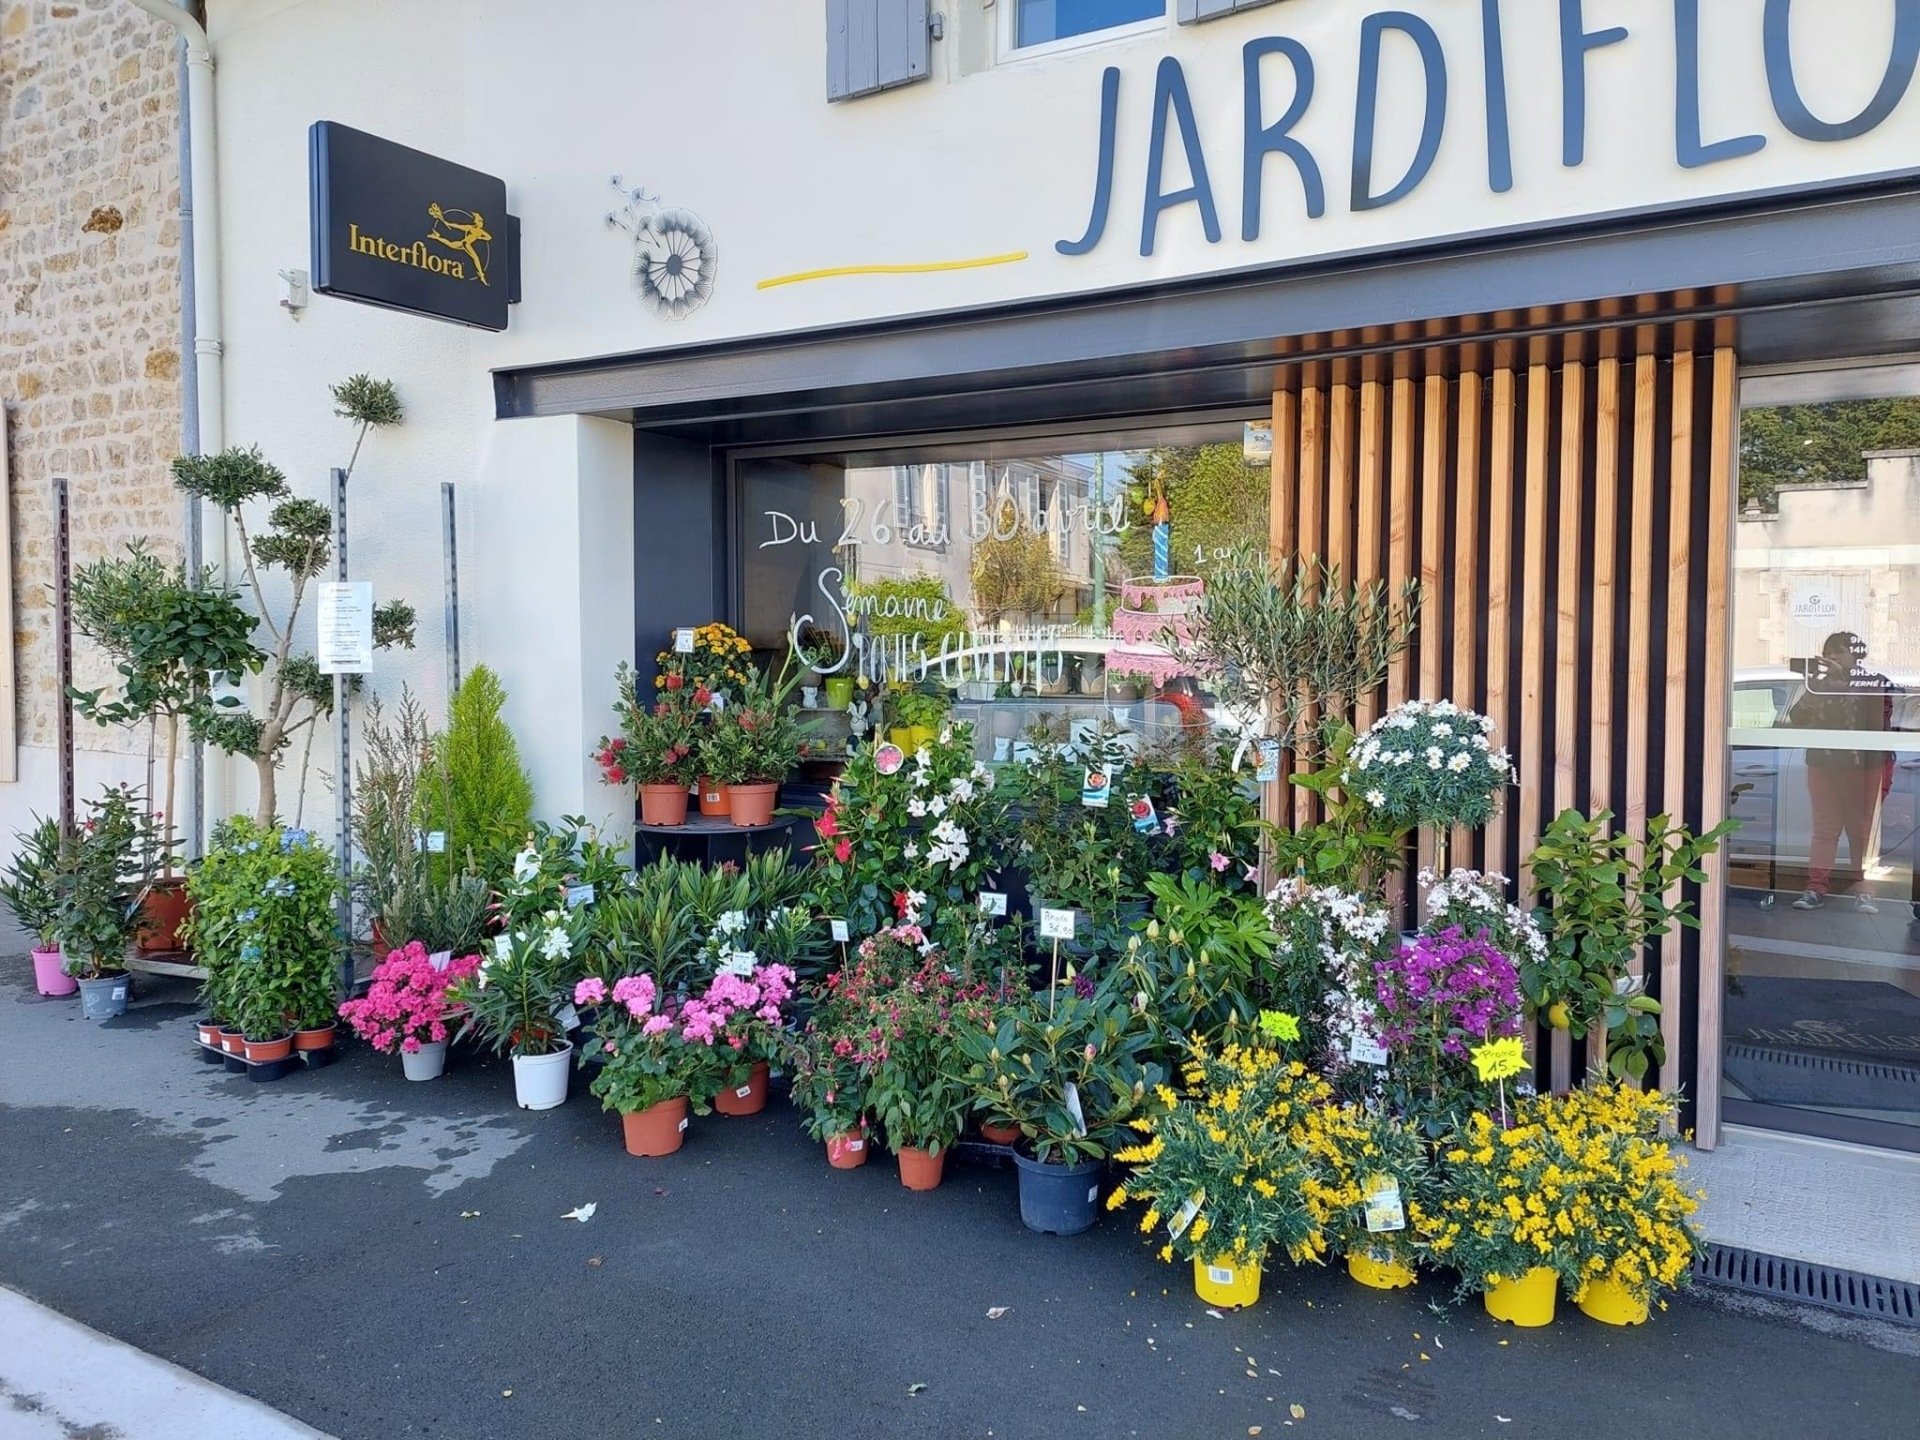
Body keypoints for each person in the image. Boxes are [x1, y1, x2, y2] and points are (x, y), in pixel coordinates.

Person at [1790, 631, 1893, 913]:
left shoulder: (1875, 682)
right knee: (1824, 829)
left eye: (1840, 651)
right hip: (1824, 765)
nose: (1833, 657)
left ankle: (1864, 891)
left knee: (1861, 832)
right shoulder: (1819, 685)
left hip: (1863, 769)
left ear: (1856, 655)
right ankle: (1815, 887)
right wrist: (1819, 689)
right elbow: (1798, 718)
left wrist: (1845, 685)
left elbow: (1877, 721)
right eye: (1829, 652)